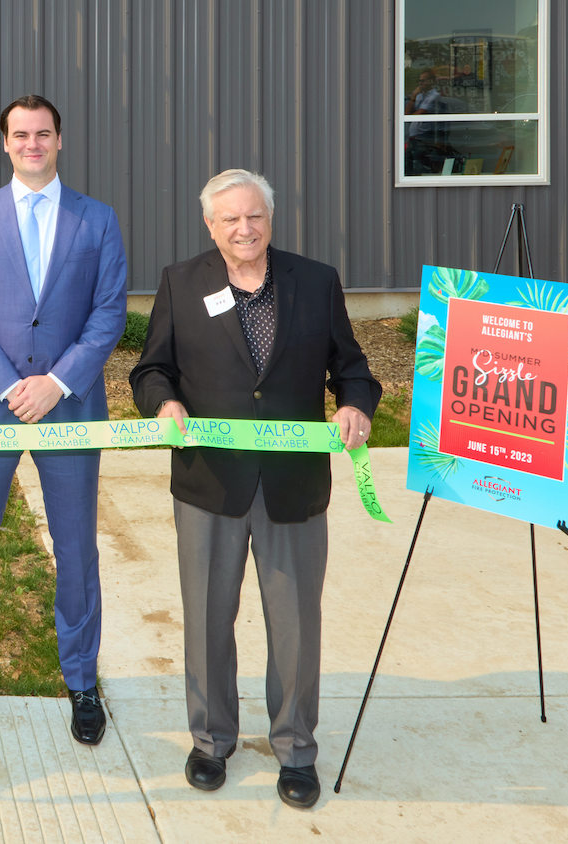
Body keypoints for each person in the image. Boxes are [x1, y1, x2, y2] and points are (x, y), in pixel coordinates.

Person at [128, 169, 381, 810]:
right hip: (209, 481)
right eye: (230, 220)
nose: (244, 229)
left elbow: (352, 369)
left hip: (293, 486)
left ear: (270, 218)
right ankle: (211, 741)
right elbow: (152, 367)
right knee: (209, 618)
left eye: (254, 217)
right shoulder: (181, 283)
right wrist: (163, 406)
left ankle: (296, 750)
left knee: (296, 624)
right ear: (209, 227)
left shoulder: (315, 281)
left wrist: (355, 407)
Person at [0, 95, 127, 745]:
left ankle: (81, 681)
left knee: (76, 551)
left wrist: (57, 382)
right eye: (20, 134)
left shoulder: (97, 221)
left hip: (71, 407)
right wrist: (12, 385)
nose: (32, 143)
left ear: (60, 140)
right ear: (5, 143)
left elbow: (108, 314)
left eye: (43, 133)